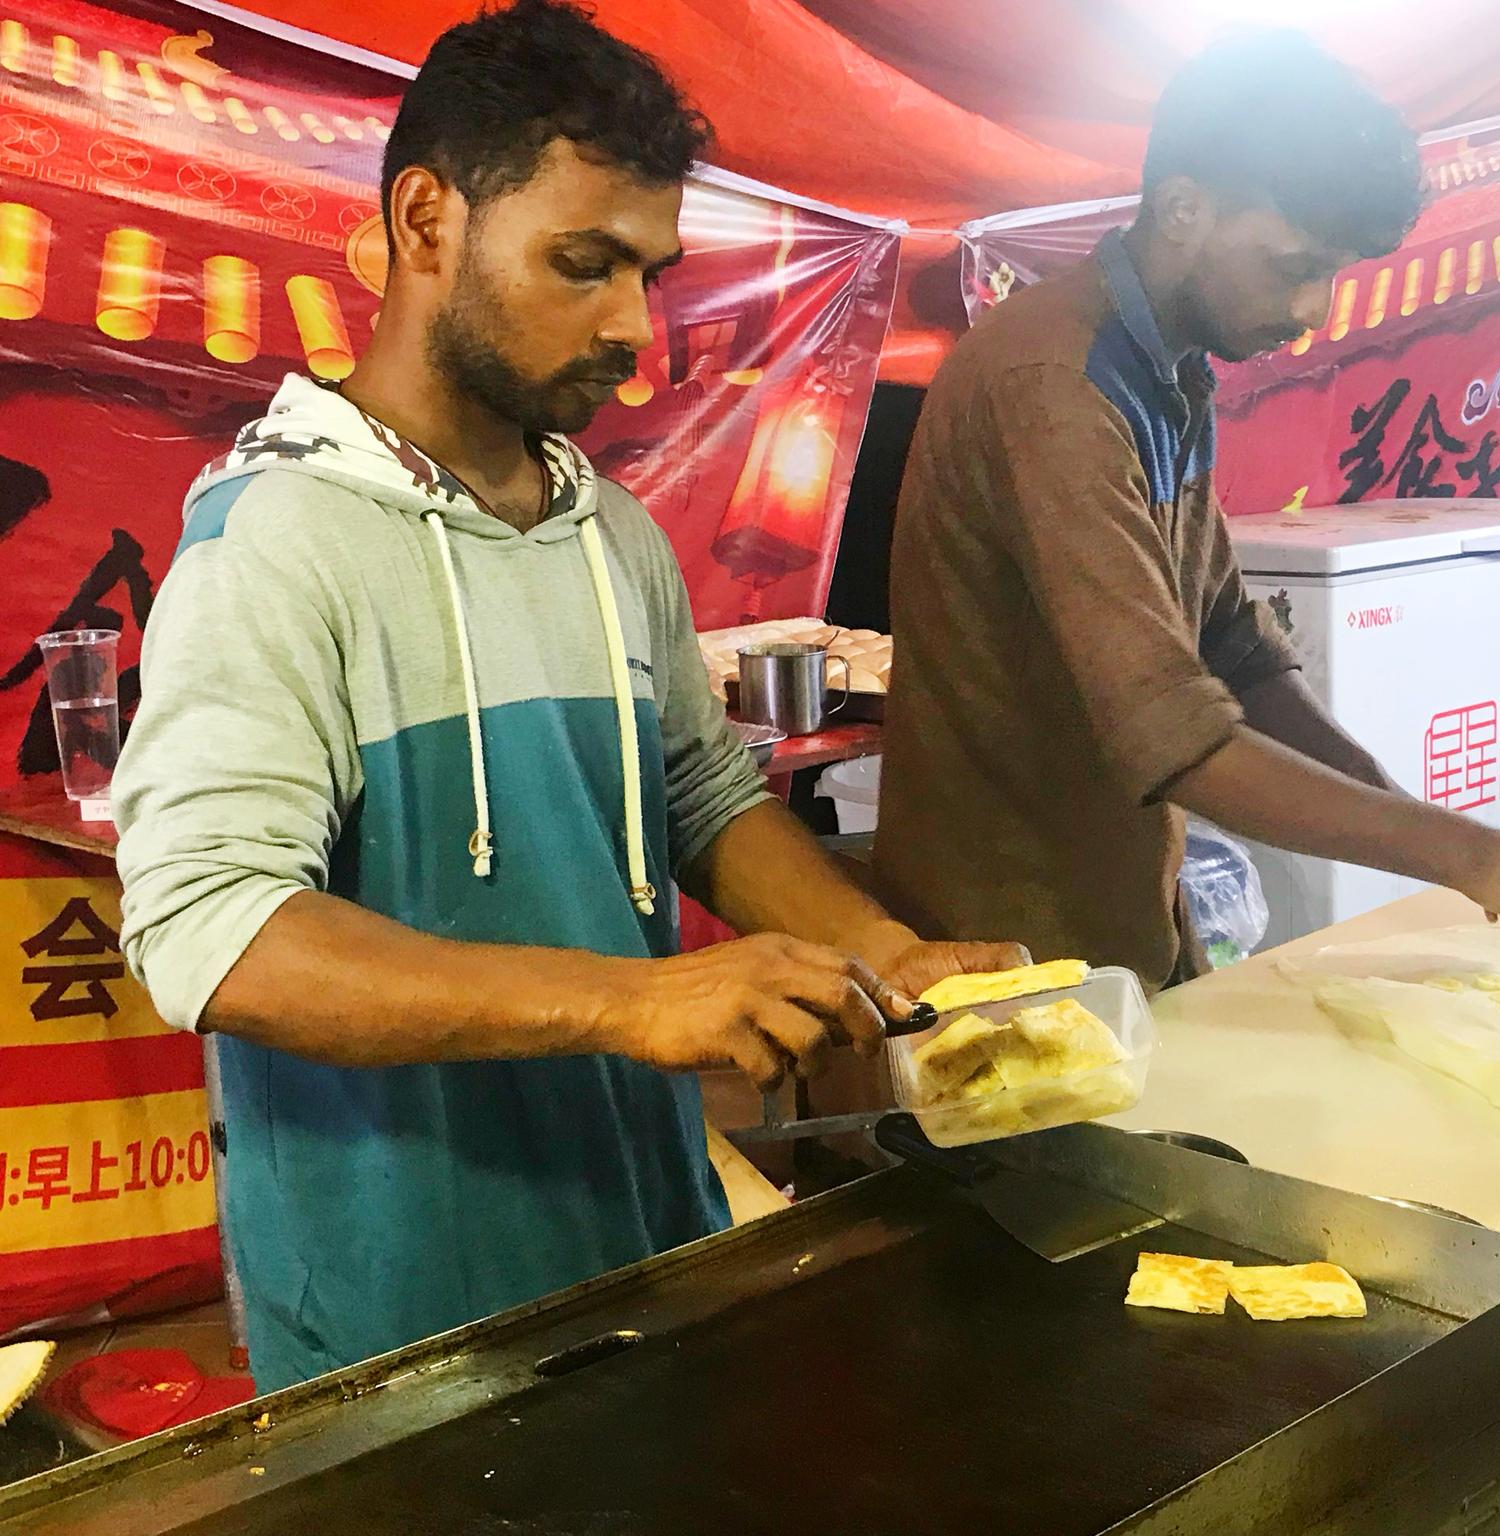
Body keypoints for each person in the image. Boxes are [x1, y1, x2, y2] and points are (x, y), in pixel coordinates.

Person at [112, 0, 1021, 1391]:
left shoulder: (610, 533)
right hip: (404, 1311)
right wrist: (624, 1004)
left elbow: (700, 794)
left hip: (640, 1225)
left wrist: (875, 954)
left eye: (649, 274)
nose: (631, 329)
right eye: (584, 264)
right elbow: (212, 931)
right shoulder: (276, 544)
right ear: (426, 223)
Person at [874, 31, 1500, 993]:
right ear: (1184, 207)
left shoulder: (1165, 370)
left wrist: (1427, 833)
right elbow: (1174, 737)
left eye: (1333, 270)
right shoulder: (1056, 384)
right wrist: (1478, 857)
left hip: (1118, 900)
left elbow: (1233, 644)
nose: (1313, 306)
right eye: (1292, 264)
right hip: (999, 941)